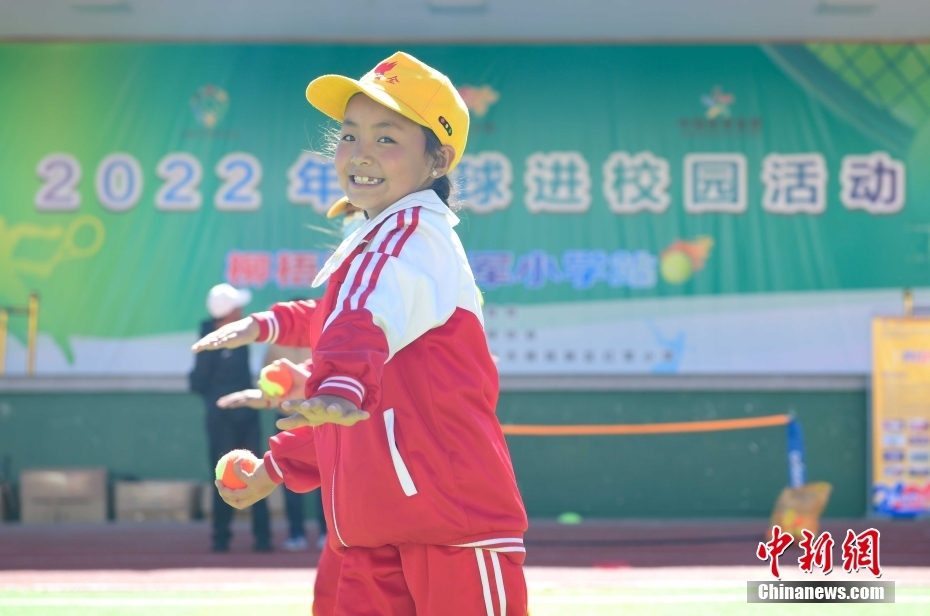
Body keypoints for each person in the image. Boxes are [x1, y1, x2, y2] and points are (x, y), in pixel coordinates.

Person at [194, 52, 528, 615]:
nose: (360, 152)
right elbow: (353, 397)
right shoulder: (380, 251)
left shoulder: (409, 238)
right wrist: (276, 464)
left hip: (451, 528)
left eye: (387, 138)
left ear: (438, 160)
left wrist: (334, 380)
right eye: (349, 135)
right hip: (376, 530)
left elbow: (354, 325)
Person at [189, 283, 272, 553]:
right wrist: (221, 401)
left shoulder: (241, 337)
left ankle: (263, 538)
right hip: (221, 422)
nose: (241, 311)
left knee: (258, 473)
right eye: (237, 307)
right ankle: (221, 538)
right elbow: (197, 382)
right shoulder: (207, 342)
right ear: (228, 312)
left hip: (248, 418)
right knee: (223, 476)